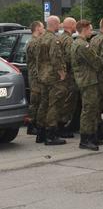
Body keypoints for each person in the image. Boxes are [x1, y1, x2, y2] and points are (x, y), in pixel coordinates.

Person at [70, 20, 102, 151]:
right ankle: (85, 139)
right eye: (90, 29)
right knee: (89, 110)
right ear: (84, 29)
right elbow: (97, 62)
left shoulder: (76, 43)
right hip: (88, 80)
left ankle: (91, 136)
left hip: (85, 79)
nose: (91, 32)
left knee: (91, 108)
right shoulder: (83, 45)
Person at [36, 16, 67, 145]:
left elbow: (37, 59)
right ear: (54, 24)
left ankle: (41, 133)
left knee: (44, 103)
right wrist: (62, 73)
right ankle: (51, 134)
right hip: (53, 76)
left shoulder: (40, 38)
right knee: (54, 104)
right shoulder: (54, 39)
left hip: (42, 75)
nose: (59, 26)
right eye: (59, 23)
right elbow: (56, 58)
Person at [53, 17, 77, 138]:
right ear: (71, 25)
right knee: (67, 102)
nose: (76, 27)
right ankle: (61, 127)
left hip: (62, 74)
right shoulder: (68, 40)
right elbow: (70, 58)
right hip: (67, 75)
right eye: (75, 24)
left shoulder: (60, 38)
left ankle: (60, 126)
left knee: (63, 101)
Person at [25, 21, 44, 136]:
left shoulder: (32, 41)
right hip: (36, 76)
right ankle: (32, 125)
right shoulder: (34, 42)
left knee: (37, 101)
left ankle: (34, 123)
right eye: (42, 27)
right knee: (35, 101)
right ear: (37, 28)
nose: (44, 29)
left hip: (36, 75)